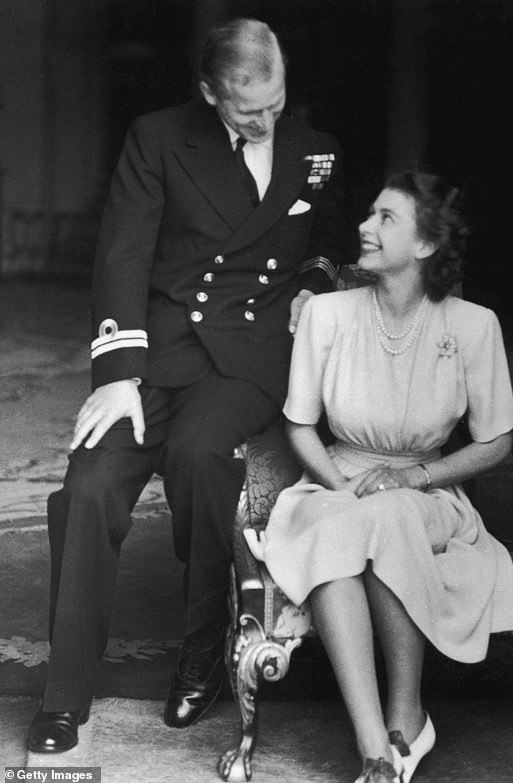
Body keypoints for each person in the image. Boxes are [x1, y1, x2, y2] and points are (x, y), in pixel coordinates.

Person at [27, 18, 347, 753]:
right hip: (159, 351)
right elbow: (124, 255)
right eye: (246, 109)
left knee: (203, 454)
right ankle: (65, 693)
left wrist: (315, 281)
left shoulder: (315, 149)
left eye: (275, 103)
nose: (265, 120)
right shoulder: (158, 137)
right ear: (209, 93)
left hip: (248, 362)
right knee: (89, 484)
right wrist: (118, 377)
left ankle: (202, 645)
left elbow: (327, 235)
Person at [253, 171, 513, 782]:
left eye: (385, 219)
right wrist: (342, 488)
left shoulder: (475, 326)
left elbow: (497, 440)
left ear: (425, 246)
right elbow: (299, 427)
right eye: (369, 214)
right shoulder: (326, 314)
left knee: (391, 513)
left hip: (426, 493)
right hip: (334, 479)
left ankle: (408, 714)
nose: (364, 228)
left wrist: (418, 478)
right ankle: (375, 744)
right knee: (350, 522)